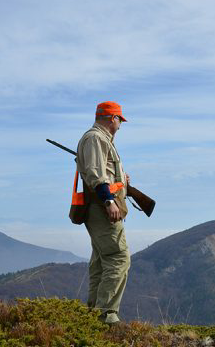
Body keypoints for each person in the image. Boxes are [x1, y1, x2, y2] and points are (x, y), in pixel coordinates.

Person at [76, 101, 130, 325]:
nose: (120, 125)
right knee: (118, 257)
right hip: (102, 208)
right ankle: (105, 315)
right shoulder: (96, 138)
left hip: (99, 207)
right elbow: (96, 175)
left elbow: (100, 171)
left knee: (101, 261)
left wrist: (121, 181)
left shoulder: (98, 139)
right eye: (119, 120)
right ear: (112, 118)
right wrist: (109, 200)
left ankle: (93, 314)